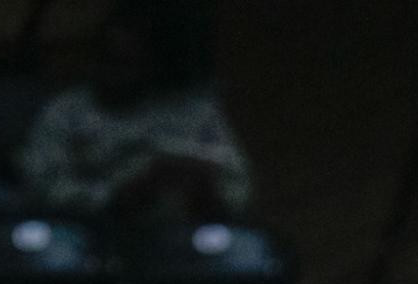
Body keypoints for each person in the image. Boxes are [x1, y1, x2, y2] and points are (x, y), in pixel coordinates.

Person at [17, 0, 253, 223]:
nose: (114, 73)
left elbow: (237, 189)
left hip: (180, 238)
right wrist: (114, 198)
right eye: (108, 59)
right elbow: (40, 185)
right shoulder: (66, 112)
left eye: (127, 63)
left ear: (151, 64)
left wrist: (205, 189)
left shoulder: (193, 113)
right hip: (89, 234)